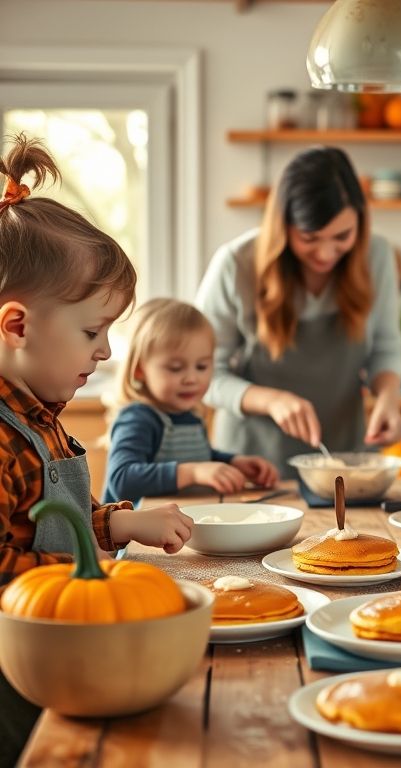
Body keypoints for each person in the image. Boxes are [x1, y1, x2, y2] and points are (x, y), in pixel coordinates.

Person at [0, 135, 194, 765]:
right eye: (92, 331)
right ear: (17, 325)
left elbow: (50, 529)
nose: (106, 352)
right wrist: (90, 581)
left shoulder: (45, 418)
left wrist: (120, 523)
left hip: (66, 650)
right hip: (16, 677)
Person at [196, 146, 401, 477]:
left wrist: (388, 400)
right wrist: (271, 401)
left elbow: (385, 348)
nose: (325, 253)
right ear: (283, 225)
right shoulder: (236, 264)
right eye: (309, 237)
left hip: (345, 460)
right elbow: (204, 378)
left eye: (342, 236)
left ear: (360, 222)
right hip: (252, 466)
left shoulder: (376, 257)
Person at [103, 298, 279, 505]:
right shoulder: (138, 418)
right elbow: (122, 479)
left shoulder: (190, 415)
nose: (191, 378)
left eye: (202, 367)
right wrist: (193, 473)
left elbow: (196, 457)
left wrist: (233, 463)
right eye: (176, 368)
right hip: (135, 535)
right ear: (140, 369)